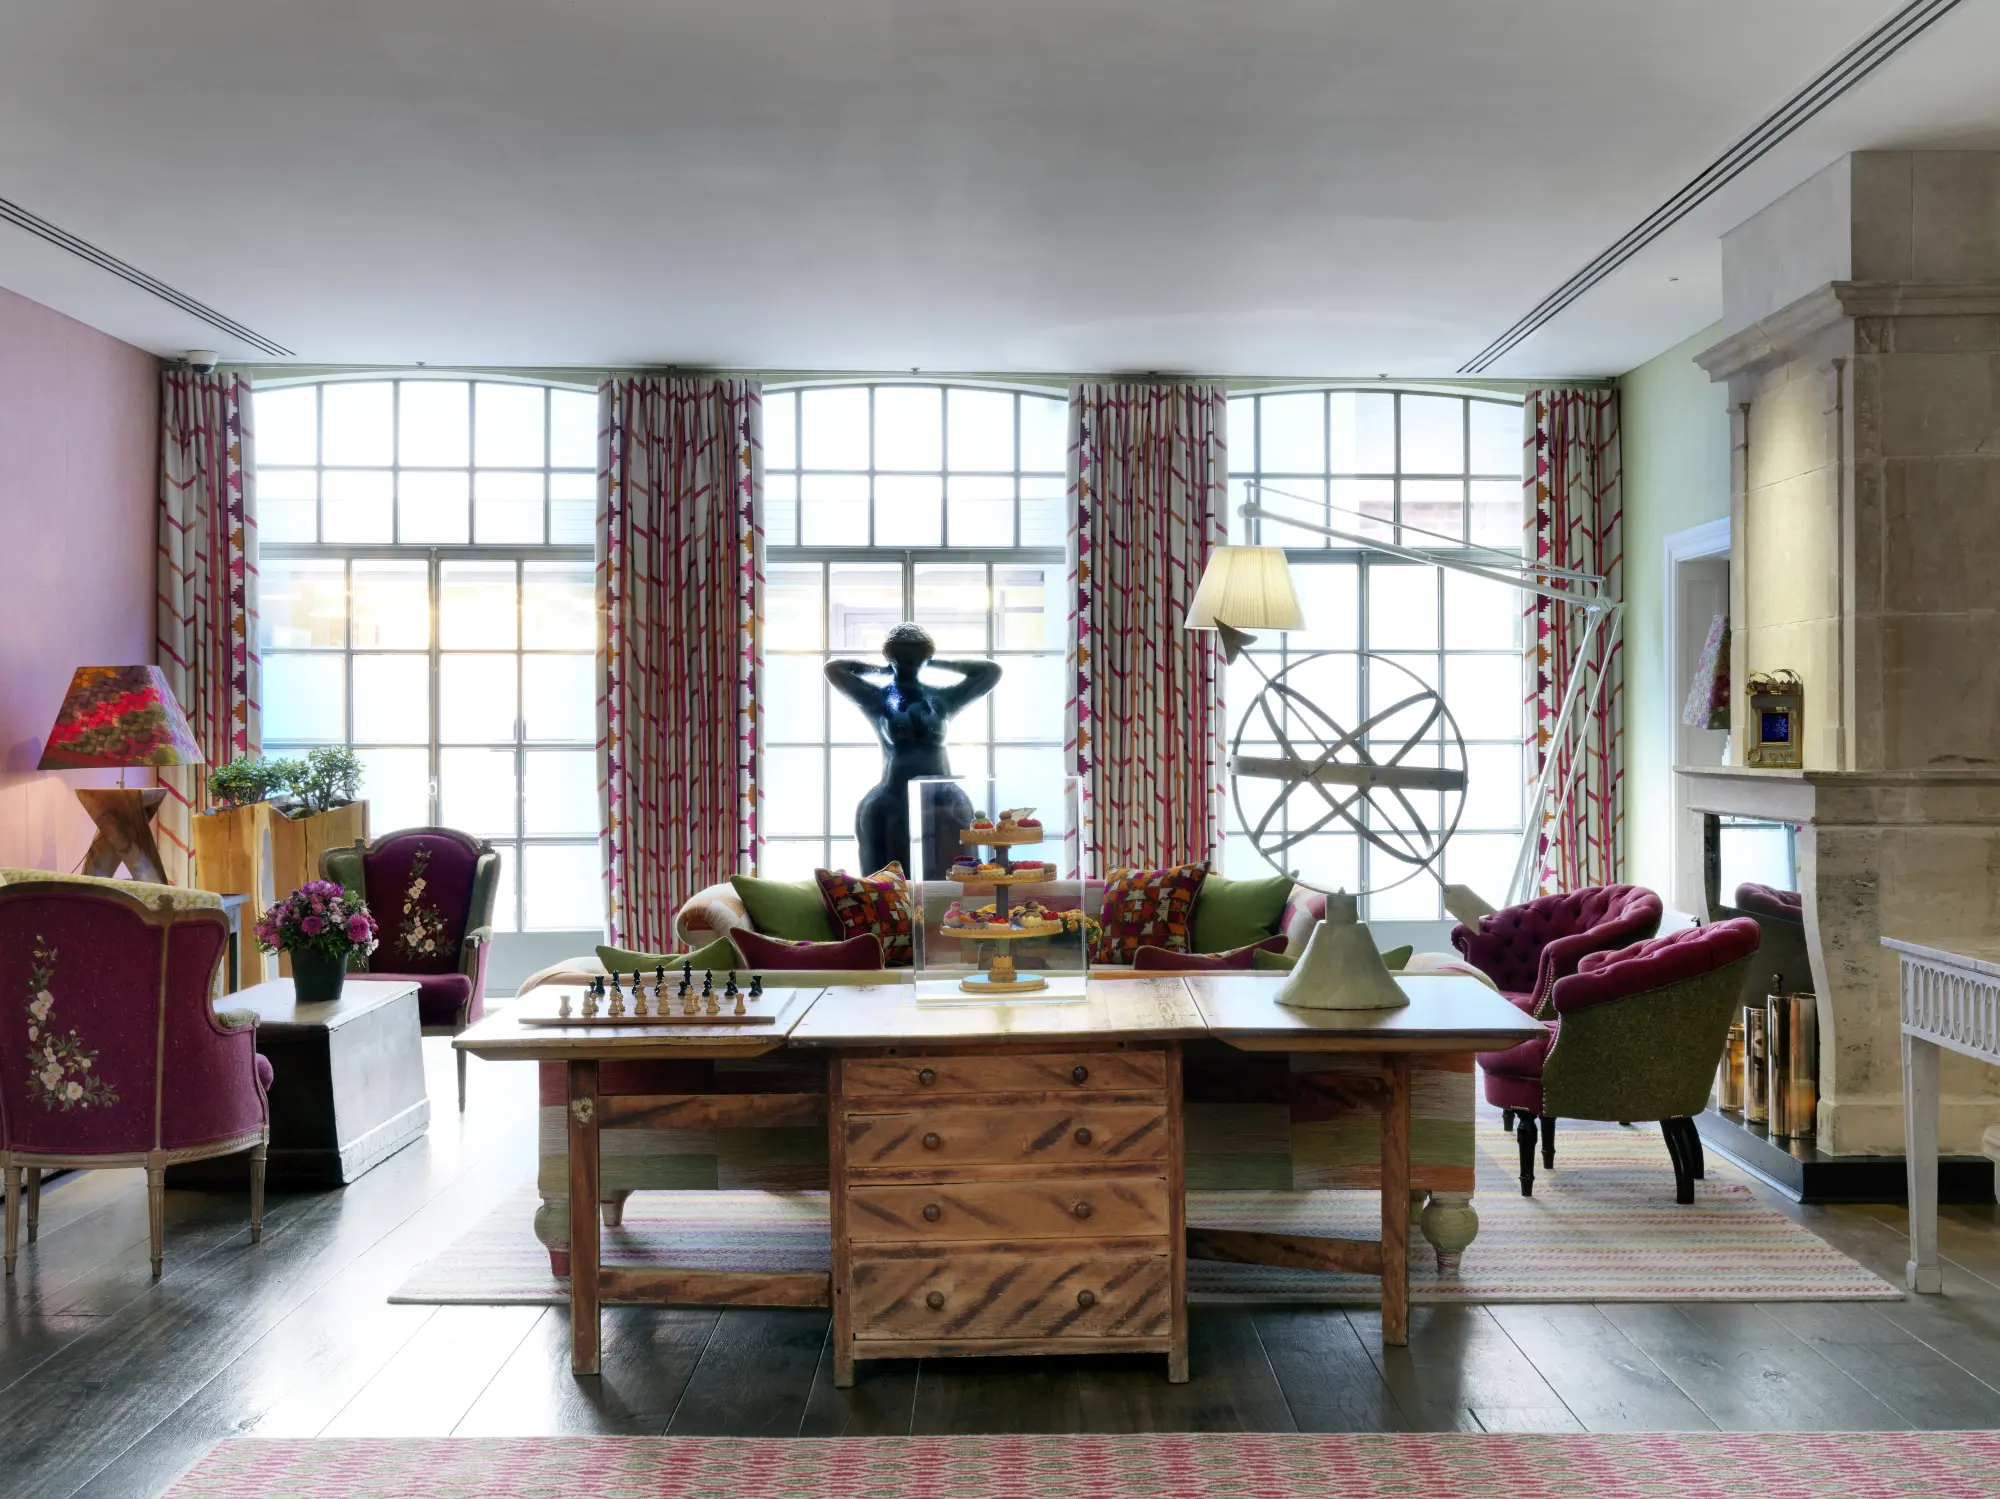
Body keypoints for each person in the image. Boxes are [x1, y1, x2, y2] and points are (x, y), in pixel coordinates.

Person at [824, 623, 1001, 875]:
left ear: (926, 656)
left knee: (957, 873)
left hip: (942, 797)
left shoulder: (943, 699)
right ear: (890, 656)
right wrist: (881, 669)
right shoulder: (877, 699)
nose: (910, 661)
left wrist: (936, 663)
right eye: (902, 655)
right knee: (886, 875)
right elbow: (834, 668)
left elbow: (991, 671)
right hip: (893, 794)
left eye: (917, 654)